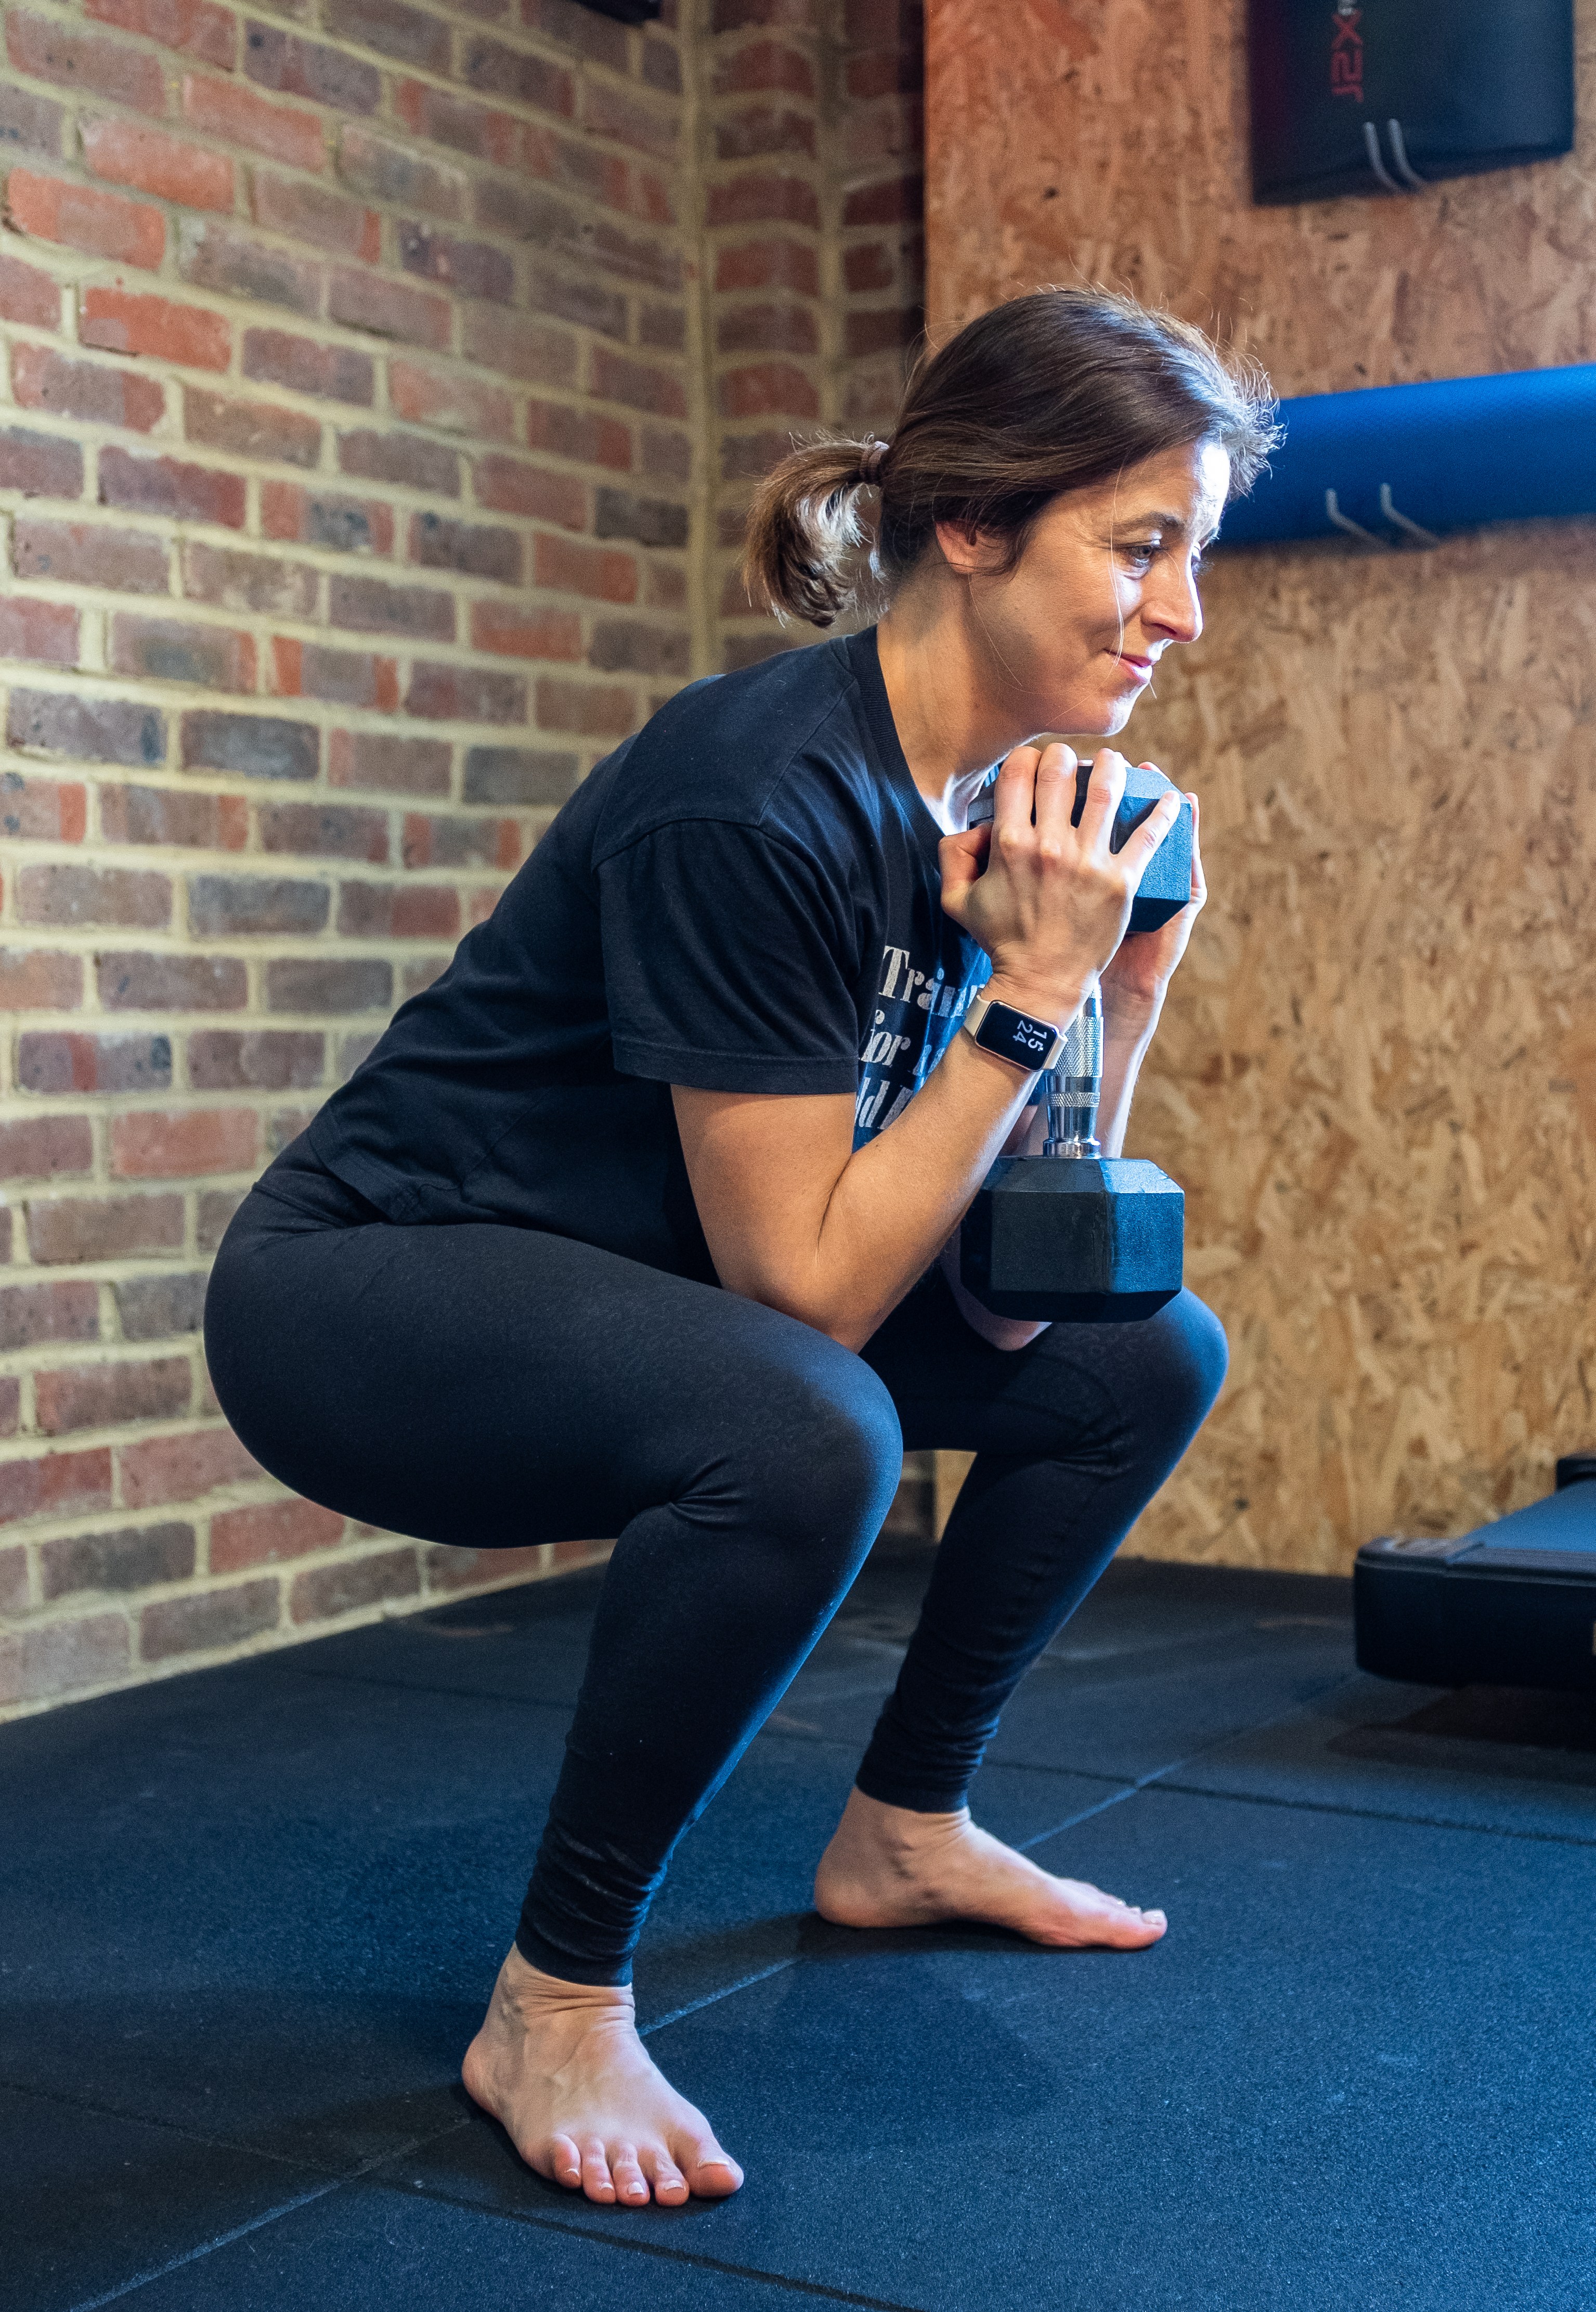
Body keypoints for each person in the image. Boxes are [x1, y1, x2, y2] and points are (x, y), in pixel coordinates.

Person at [204, 287, 1276, 2210]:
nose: (1183, 612)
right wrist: (1029, 992)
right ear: (974, 525)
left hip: (659, 1290)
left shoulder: (1004, 818)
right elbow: (811, 1300)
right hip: (370, 1287)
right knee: (805, 1421)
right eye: (1143, 546)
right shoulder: (757, 793)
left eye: (1193, 555)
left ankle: (905, 1830)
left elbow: (1029, 1291)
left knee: (1145, 1350)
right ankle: (553, 2003)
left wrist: (1115, 985)